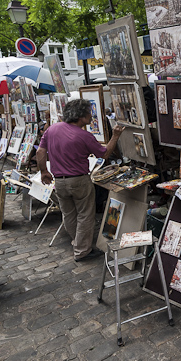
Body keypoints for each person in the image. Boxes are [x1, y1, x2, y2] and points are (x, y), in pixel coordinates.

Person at [36, 99, 124, 261]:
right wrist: (115, 136)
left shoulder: (52, 129)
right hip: (79, 181)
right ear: (81, 117)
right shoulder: (84, 135)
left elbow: (40, 151)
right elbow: (104, 154)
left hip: (60, 181)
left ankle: (77, 243)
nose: (91, 116)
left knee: (69, 214)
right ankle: (82, 251)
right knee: (85, 215)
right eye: (89, 113)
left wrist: (43, 171)